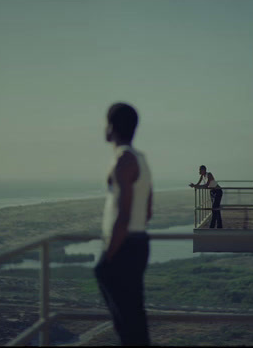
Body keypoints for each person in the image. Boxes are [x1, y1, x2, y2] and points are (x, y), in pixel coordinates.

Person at [94, 102, 153, 346]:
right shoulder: (140, 159)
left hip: (125, 246)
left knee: (127, 323)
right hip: (136, 244)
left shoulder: (123, 161)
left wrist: (109, 254)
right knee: (133, 319)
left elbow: (124, 215)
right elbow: (147, 209)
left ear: (112, 127)